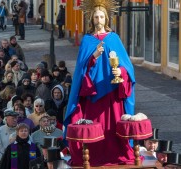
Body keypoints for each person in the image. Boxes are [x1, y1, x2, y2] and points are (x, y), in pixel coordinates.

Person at [63, 0, 136, 166]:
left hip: (111, 94)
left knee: (112, 128)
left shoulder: (114, 38)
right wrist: (94, 56)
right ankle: (92, 154)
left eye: (102, 16)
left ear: (106, 18)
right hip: (93, 94)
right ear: (91, 19)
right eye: (96, 16)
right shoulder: (87, 40)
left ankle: (115, 153)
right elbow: (82, 68)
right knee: (93, 126)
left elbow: (127, 66)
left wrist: (121, 72)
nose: (99, 19)